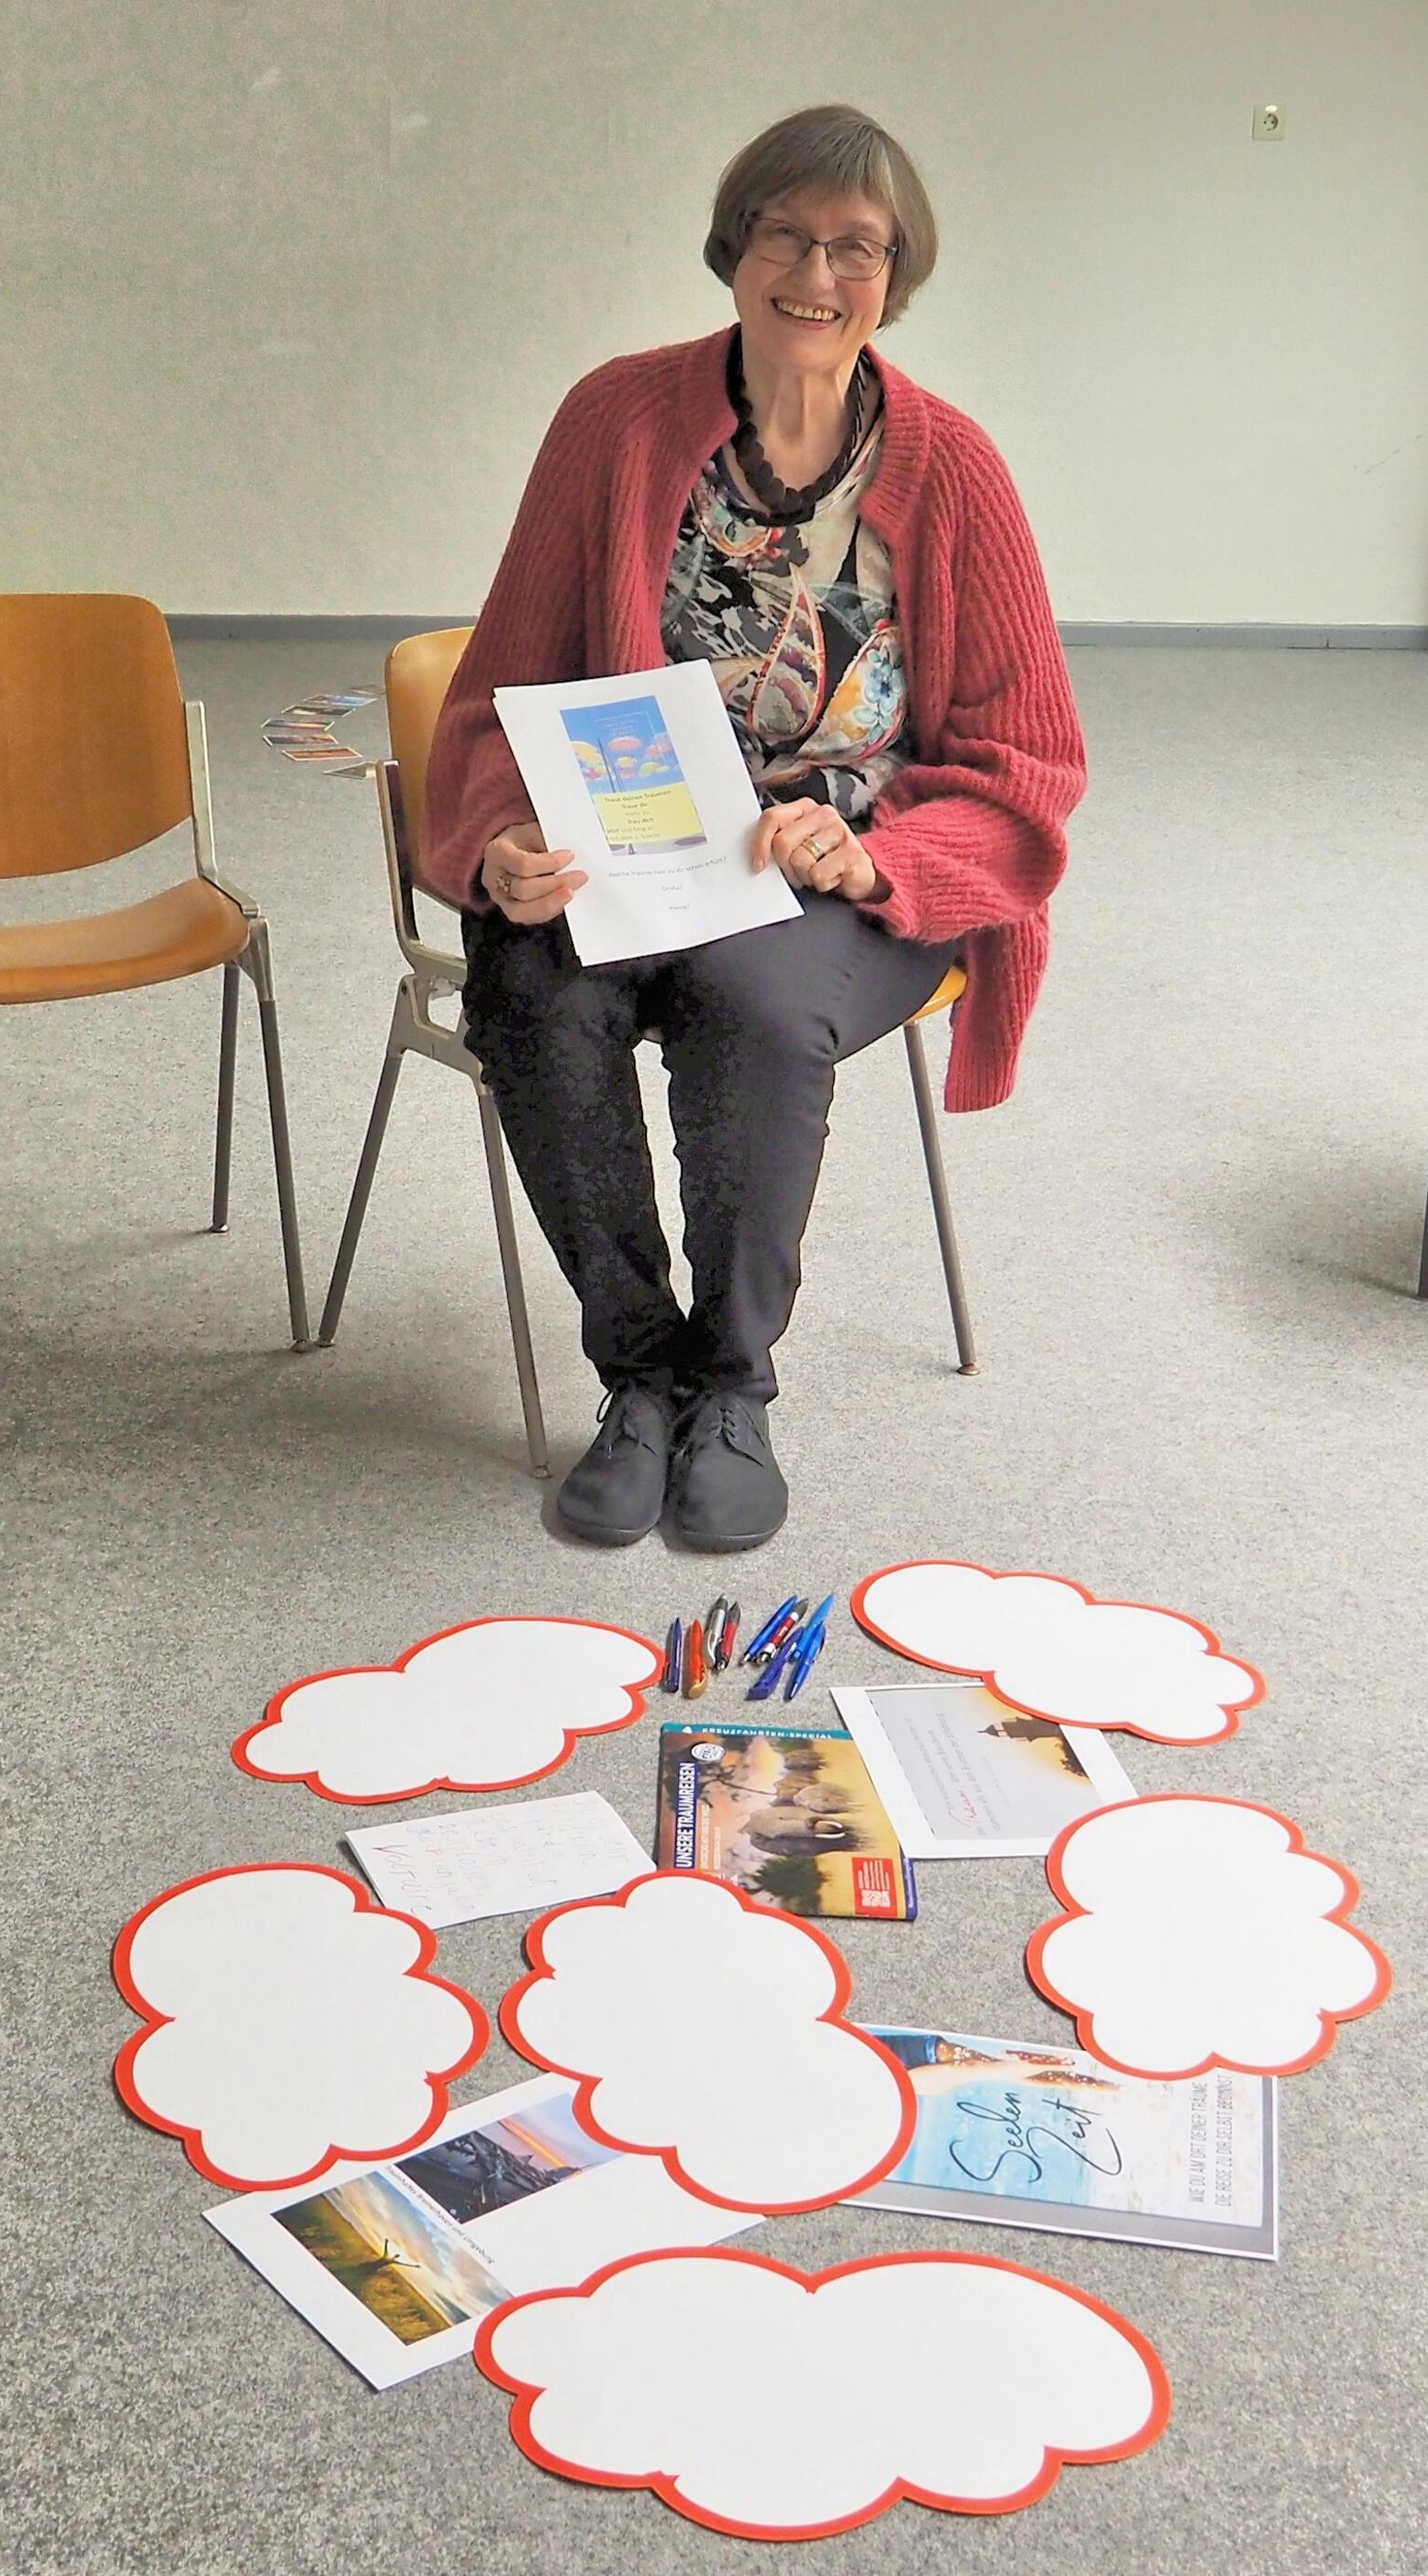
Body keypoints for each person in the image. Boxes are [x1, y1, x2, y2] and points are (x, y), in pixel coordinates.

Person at [422, 102, 1086, 1552]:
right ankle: (638, 1371)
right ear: (737, 246)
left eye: (858, 245)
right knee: (530, 987)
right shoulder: (617, 420)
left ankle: (731, 1385)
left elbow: (1028, 762)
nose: (817, 269)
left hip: (843, 874)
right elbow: (495, 692)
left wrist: (882, 856)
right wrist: (496, 844)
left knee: (752, 1003)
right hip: (635, 847)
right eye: (788, 232)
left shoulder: (955, 471)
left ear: (893, 276)